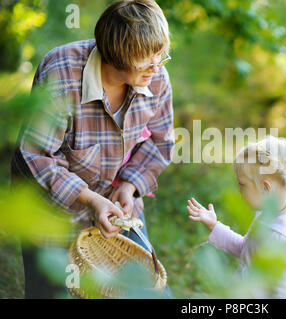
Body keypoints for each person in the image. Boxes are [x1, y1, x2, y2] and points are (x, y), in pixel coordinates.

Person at [10, 0, 174, 298]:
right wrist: (90, 200)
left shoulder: (156, 74)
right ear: (115, 55)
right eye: (147, 60)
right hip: (50, 206)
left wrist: (129, 185)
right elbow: (36, 155)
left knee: (143, 291)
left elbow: (160, 142)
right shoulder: (61, 73)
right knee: (53, 290)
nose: (157, 67)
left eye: (161, 56)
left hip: (115, 202)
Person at [187, 136, 286, 298]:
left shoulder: (282, 237)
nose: (239, 190)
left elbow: (285, 293)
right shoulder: (268, 218)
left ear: (266, 188)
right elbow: (245, 249)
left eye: (242, 184)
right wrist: (214, 226)